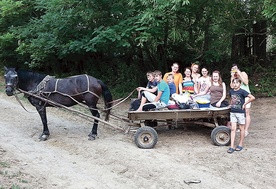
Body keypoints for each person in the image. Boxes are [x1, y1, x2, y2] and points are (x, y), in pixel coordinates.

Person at [227, 78, 255, 154]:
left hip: (240, 113)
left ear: (240, 84)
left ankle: (240, 144)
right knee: (233, 129)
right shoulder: (231, 91)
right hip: (233, 112)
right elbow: (231, 99)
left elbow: (252, 97)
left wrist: (245, 104)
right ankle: (231, 146)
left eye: (237, 83)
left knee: (241, 128)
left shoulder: (242, 91)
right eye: (234, 83)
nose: (235, 84)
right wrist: (230, 104)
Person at [230, 64, 252, 137]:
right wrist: (232, 76)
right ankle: (241, 127)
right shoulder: (234, 77)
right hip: (238, 97)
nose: (234, 70)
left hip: (246, 95)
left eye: (235, 68)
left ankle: (246, 130)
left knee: (247, 112)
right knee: (239, 112)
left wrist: (239, 73)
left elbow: (246, 82)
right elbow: (232, 86)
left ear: (238, 68)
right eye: (233, 69)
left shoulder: (243, 73)